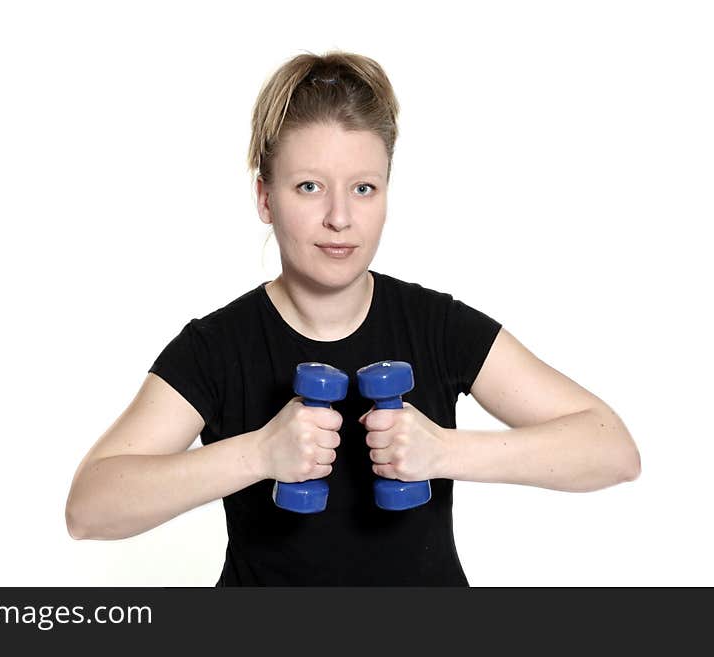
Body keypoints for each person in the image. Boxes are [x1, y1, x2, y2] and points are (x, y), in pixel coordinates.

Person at [65, 50, 641, 586]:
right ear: (265, 198)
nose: (340, 218)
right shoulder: (218, 347)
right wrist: (259, 453)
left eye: (364, 188)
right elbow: (90, 508)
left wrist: (443, 452)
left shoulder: (437, 326)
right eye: (309, 187)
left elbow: (611, 449)